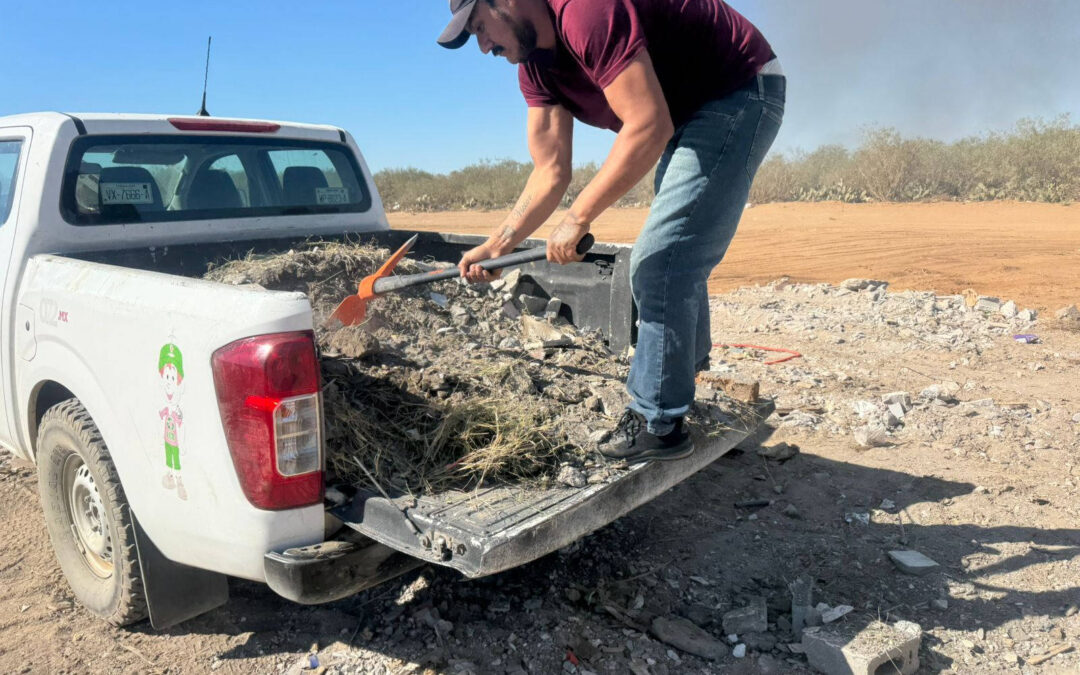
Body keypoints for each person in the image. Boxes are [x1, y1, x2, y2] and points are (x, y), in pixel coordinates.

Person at [441, 0, 785, 462]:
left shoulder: (586, 12)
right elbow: (549, 170)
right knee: (673, 255)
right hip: (684, 110)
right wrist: (498, 245)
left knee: (661, 261)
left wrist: (577, 218)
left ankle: (657, 421)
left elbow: (647, 125)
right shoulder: (535, 69)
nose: (483, 46)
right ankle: (682, 389)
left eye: (481, 27)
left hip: (736, 87)